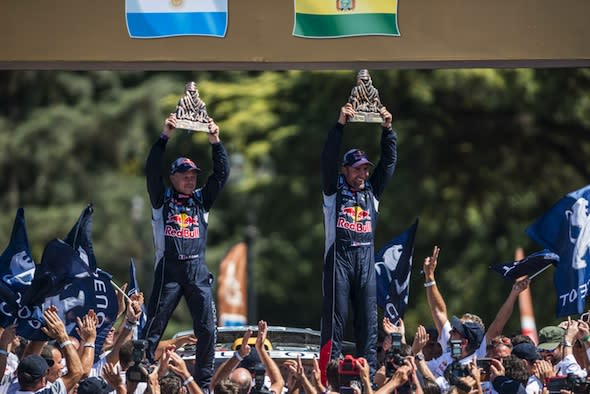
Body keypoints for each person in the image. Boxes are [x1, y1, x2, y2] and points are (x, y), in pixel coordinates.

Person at [143, 112, 230, 389]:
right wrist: (164, 135)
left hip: (196, 271)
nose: (190, 180)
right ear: (173, 177)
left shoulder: (201, 200)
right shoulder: (161, 199)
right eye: (184, 175)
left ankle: (203, 382)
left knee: (207, 328)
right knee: (154, 326)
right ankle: (140, 368)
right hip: (169, 270)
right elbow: (151, 170)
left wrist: (215, 141)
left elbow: (222, 174)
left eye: (193, 175)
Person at [319, 102, 397, 382]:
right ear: (345, 170)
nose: (363, 174)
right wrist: (340, 124)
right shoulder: (332, 190)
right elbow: (327, 159)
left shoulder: (372, 192)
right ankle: (327, 379)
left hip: (365, 262)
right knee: (335, 319)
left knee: (368, 323)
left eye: (366, 170)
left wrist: (388, 130)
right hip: (338, 261)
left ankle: (370, 377)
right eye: (358, 170)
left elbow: (388, 164)